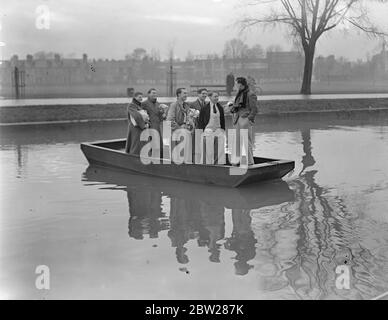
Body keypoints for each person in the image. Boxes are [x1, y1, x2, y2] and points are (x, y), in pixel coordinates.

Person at [230, 77, 257, 165]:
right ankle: (238, 160)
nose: (235, 85)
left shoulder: (250, 94)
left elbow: (254, 109)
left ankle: (249, 162)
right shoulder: (239, 93)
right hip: (237, 119)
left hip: (245, 119)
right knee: (237, 141)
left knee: (246, 141)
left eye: (236, 83)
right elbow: (238, 105)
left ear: (240, 84)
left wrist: (249, 119)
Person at [197, 91, 226, 164]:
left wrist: (223, 130)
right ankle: (207, 165)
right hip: (208, 130)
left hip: (218, 130)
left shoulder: (220, 108)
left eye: (217, 96)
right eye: (215, 96)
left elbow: (222, 120)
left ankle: (219, 164)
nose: (217, 98)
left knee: (219, 150)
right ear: (210, 97)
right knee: (207, 150)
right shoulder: (204, 108)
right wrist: (200, 132)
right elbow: (200, 121)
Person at [166, 88, 193, 163]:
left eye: (186, 93)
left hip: (186, 133)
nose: (186, 95)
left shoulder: (187, 106)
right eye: (184, 93)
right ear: (178, 94)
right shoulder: (173, 105)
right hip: (177, 134)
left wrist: (189, 124)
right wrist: (180, 128)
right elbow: (170, 120)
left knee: (186, 156)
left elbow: (188, 119)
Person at [142, 88, 165, 158]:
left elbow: (161, 119)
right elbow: (142, 116)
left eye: (155, 93)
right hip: (149, 128)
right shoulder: (144, 104)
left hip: (157, 127)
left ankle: (160, 161)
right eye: (153, 93)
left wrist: (162, 113)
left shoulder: (158, 104)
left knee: (160, 146)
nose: (155, 94)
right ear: (148, 94)